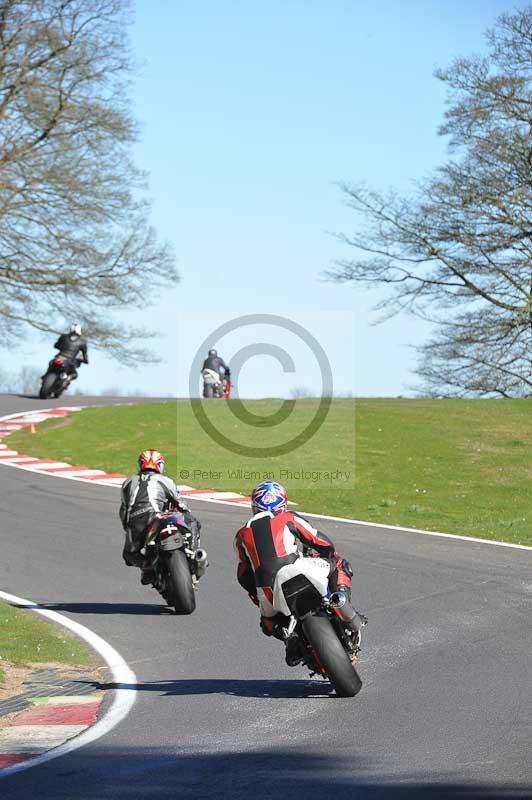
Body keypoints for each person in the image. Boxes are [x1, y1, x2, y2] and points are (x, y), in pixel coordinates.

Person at [234, 480, 355, 665]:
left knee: (267, 624)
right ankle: (341, 599)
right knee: (339, 563)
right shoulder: (287, 517)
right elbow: (318, 539)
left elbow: (243, 573)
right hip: (297, 567)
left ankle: (292, 641)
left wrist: (256, 594)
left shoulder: (241, 534)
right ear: (282, 504)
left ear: (254, 506)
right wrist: (328, 554)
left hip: (266, 587)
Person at [119, 449, 202, 584]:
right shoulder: (165, 480)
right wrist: (186, 514)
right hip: (158, 518)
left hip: (136, 524)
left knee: (129, 556)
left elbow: (124, 510)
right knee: (193, 521)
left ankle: (147, 568)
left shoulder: (127, 482)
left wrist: (128, 529)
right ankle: (193, 553)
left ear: (140, 465)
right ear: (160, 466)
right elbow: (181, 504)